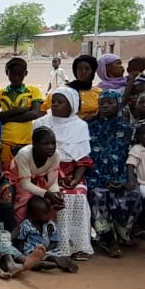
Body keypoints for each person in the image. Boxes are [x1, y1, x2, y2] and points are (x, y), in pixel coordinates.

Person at [32, 88, 95, 260]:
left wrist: (75, 179)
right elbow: (36, 154)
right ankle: (58, 243)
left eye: (61, 102)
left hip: (74, 174)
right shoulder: (41, 123)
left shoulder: (80, 126)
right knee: (58, 195)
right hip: (46, 172)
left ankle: (78, 245)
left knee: (78, 195)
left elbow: (83, 158)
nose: (55, 104)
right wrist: (56, 176)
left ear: (72, 106)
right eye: (54, 101)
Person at [86, 89, 140, 258]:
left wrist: (123, 180)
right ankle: (106, 237)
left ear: (118, 104)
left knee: (134, 196)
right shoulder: (89, 126)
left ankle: (123, 232)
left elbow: (131, 157)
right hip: (95, 176)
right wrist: (101, 178)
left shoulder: (127, 129)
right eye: (102, 103)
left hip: (121, 177)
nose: (105, 106)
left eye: (110, 103)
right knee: (98, 195)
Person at [0, 57, 44, 165]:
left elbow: (35, 113)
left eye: (20, 74)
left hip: (26, 141)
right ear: (7, 73)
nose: (16, 77)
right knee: (7, 172)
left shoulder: (33, 91)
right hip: (5, 140)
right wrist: (18, 110)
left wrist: (6, 118)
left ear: (25, 73)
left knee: (24, 173)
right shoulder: (1, 93)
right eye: (12, 74)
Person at [7, 127, 63, 223]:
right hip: (18, 179)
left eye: (53, 143)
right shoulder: (24, 154)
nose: (51, 147)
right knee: (24, 200)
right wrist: (47, 194)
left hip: (39, 181)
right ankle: (19, 229)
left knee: (53, 202)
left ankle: (49, 230)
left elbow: (52, 181)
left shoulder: (56, 155)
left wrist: (55, 194)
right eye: (45, 144)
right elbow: (25, 184)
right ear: (34, 144)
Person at [11, 195, 69, 272]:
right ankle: (44, 262)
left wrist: (46, 249)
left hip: (47, 250)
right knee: (31, 256)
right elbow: (20, 241)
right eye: (46, 213)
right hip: (31, 250)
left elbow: (54, 242)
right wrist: (20, 253)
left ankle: (55, 260)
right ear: (34, 216)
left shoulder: (51, 225)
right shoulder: (27, 225)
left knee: (56, 253)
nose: (49, 215)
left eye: (49, 212)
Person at [55, 54, 102, 119]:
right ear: (75, 71)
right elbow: (43, 108)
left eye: (87, 69)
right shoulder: (64, 91)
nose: (83, 71)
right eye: (80, 69)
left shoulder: (99, 92)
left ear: (92, 71)